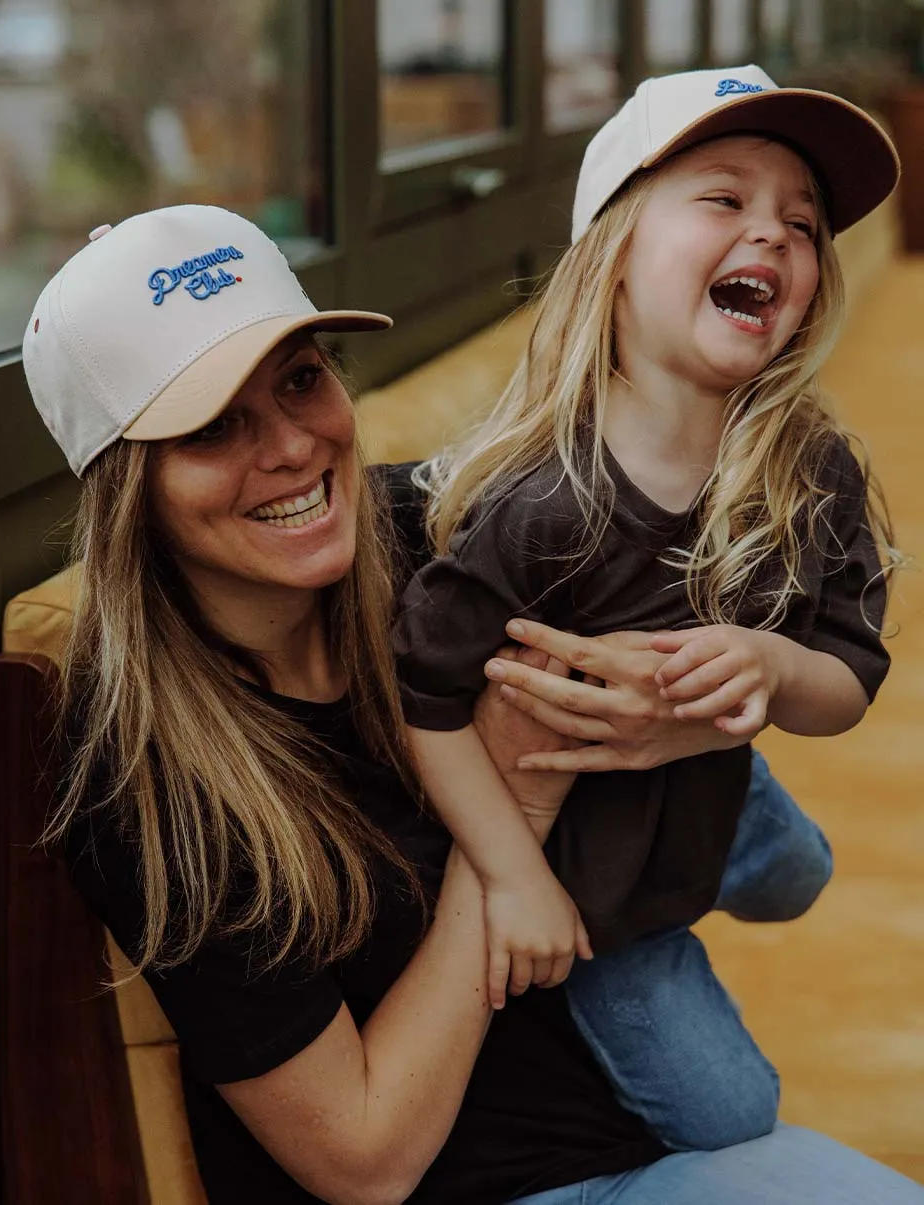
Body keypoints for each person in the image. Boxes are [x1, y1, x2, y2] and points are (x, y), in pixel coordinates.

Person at [20, 203, 923, 1202]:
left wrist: (672, 709)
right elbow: (365, 1161)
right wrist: (509, 811)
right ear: (126, 485)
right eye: (213, 426)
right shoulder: (142, 772)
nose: (289, 446)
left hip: (653, 1123)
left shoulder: (440, 525)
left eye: (301, 379)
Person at [394, 62, 901, 1154]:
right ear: (613, 255)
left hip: (717, 775)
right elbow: (421, 703)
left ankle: (739, 820)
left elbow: (848, 673)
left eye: (800, 224)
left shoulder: (807, 467)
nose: (770, 236)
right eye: (722, 200)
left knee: (799, 870)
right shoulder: (539, 508)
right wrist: (518, 880)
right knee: (733, 1112)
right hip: (598, 880)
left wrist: (766, 670)